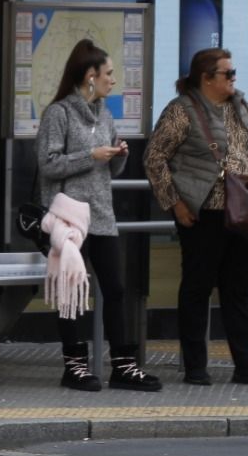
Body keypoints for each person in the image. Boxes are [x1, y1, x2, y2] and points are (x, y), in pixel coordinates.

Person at [37, 39, 160, 392]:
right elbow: (48, 164)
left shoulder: (105, 114)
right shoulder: (58, 113)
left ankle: (123, 365)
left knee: (115, 289)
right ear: (90, 76)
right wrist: (90, 155)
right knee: (72, 287)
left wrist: (118, 154)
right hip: (68, 218)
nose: (113, 80)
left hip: (102, 214)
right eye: (108, 73)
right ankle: (73, 365)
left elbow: (110, 171)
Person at [146, 48, 248, 388]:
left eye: (233, 73)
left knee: (238, 291)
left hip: (243, 210)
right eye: (227, 74)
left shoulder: (242, 107)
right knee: (197, 288)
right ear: (206, 78)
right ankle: (195, 366)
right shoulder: (181, 110)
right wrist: (175, 203)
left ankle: (245, 365)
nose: (233, 79)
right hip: (203, 212)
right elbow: (155, 157)